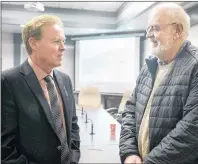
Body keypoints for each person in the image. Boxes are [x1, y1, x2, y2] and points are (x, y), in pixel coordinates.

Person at [119, 3, 198, 164]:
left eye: (155, 28)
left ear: (178, 30)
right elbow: (130, 111)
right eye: (148, 29)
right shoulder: (148, 67)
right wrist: (129, 152)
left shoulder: (195, 67)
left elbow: (191, 132)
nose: (149, 35)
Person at [2, 15, 80, 164]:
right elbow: (5, 148)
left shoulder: (65, 80)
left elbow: (73, 126)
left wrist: (73, 158)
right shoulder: (8, 81)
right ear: (33, 43)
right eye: (57, 41)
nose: (63, 47)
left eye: (63, 41)